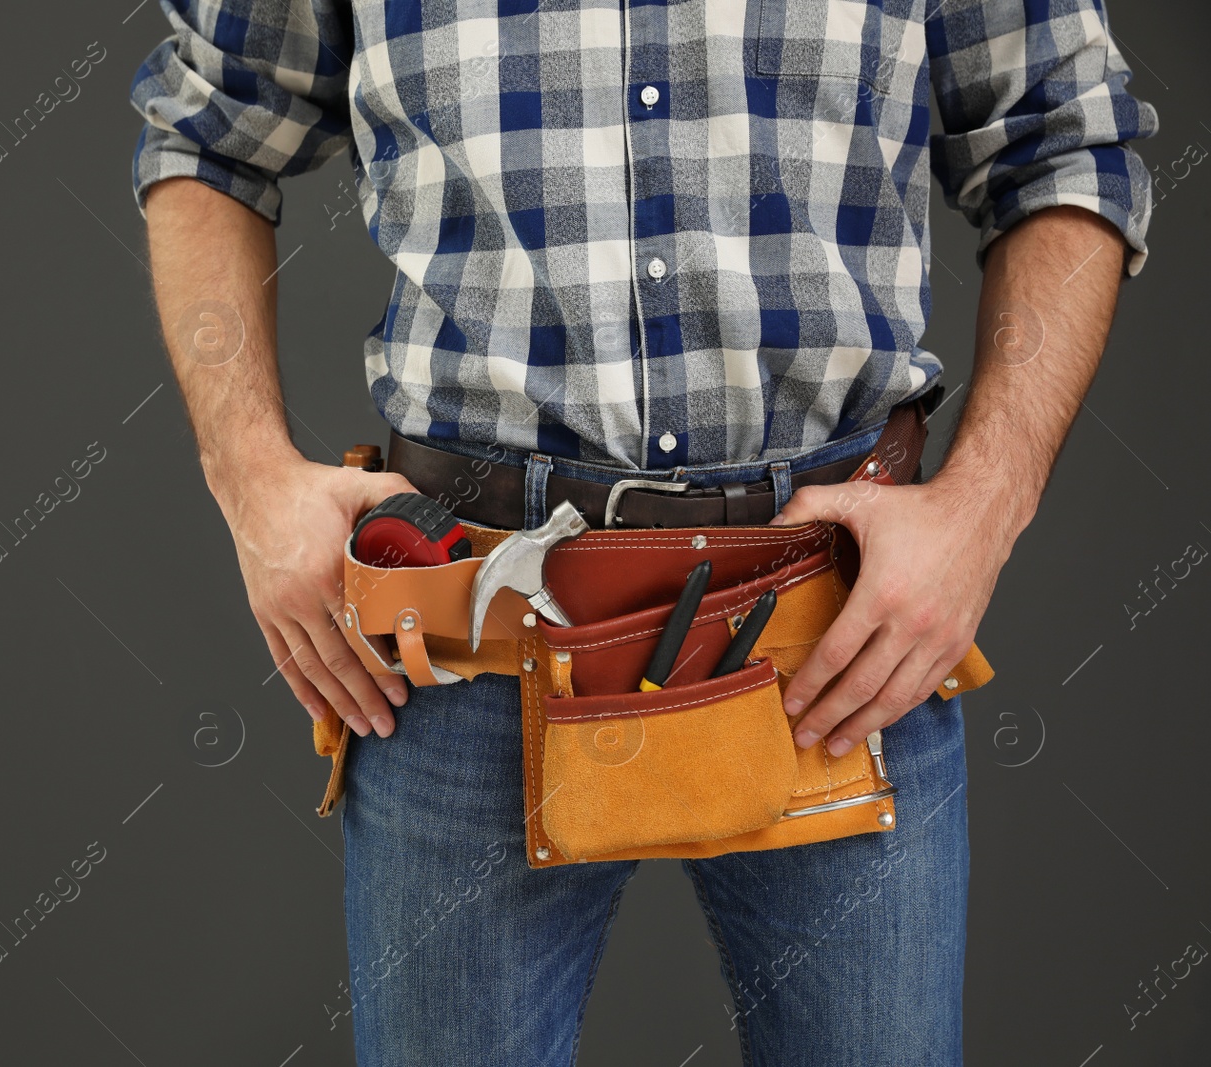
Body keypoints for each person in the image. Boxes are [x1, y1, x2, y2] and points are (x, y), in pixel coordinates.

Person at [129, 1, 1156, 1062]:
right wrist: (247, 474)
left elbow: (1066, 137)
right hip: (465, 644)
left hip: (841, 644)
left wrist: (986, 502)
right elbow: (206, 133)